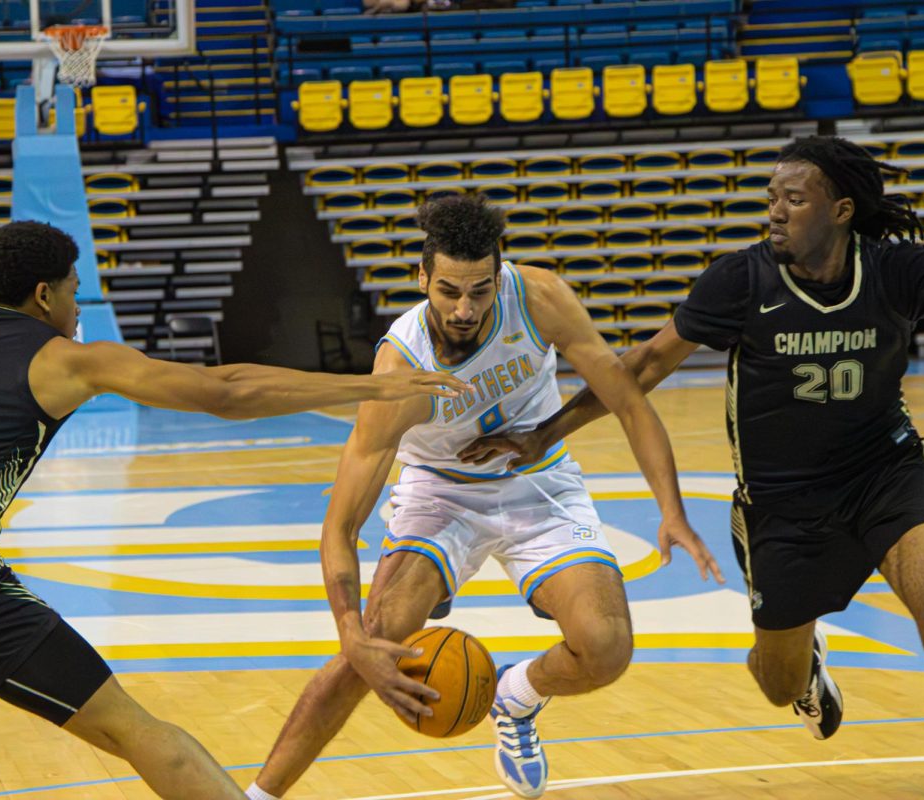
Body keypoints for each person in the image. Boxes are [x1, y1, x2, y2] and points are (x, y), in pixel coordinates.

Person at [0, 221, 467, 800]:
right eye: (74, 289)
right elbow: (225, 390)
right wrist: (368, 386)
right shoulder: (63, 358)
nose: (77, 306)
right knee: (134, 730)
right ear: (44, 294)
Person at [460, 136, 924, 800]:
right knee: (776, 683)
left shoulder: (891, 269)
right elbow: (644, 366)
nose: (776, 211)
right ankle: (804, 669)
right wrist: (544, 434)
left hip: (886, 475)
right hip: (784, 503)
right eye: (772, 197)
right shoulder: (742, 280)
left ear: (842, 210)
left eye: (794, 199)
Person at [244, 195, 723, 800]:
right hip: (440, 493)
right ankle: (258, 795)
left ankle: (516, 696)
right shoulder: (401, 371)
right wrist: (349, 631)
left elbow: (627, 399)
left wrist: (670, 509)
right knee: (374, 641)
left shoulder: (539, 298)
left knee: (607, 648)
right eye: (449, 291)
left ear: (500, 276)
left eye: (480, 291)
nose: (465, 309)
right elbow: (340, 527)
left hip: (538, 478)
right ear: (422, 277)